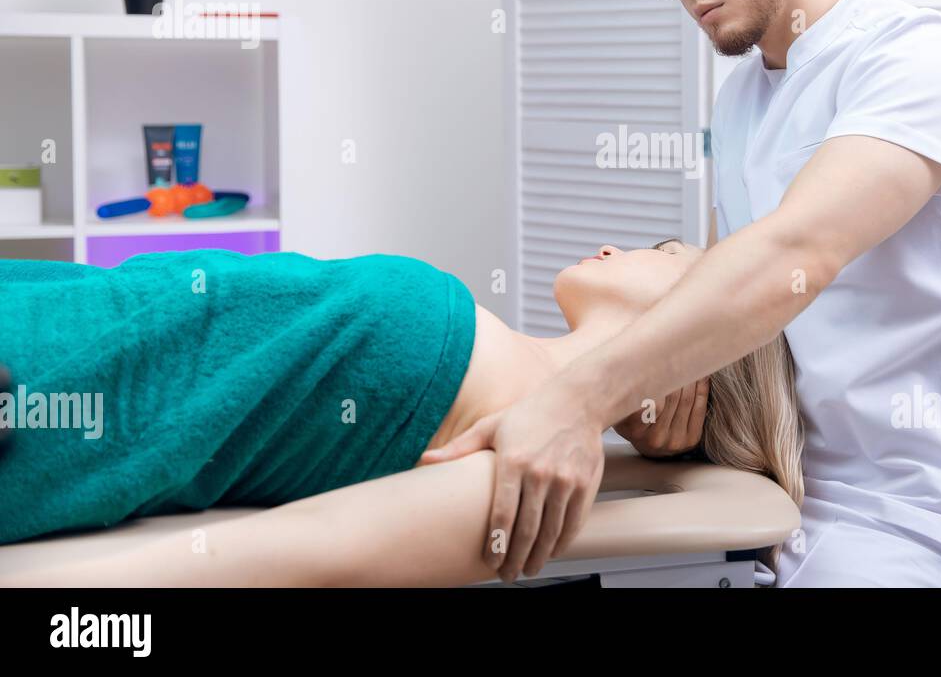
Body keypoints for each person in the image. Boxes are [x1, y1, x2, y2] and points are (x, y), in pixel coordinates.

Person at [425, 0, 941, 588]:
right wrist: (680, 387)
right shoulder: (745, 93)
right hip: (768, 478)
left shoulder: (919, 57)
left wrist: (575, 401)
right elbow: (734, 288)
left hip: (906, 511)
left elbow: (793, 255)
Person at [0, 242, 802, 585]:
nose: (627, 248)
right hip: (56, 313)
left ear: (695, 360)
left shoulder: (526, 453)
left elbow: (307, 554)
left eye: (667, 258)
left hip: (42, 403)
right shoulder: (523, 380)